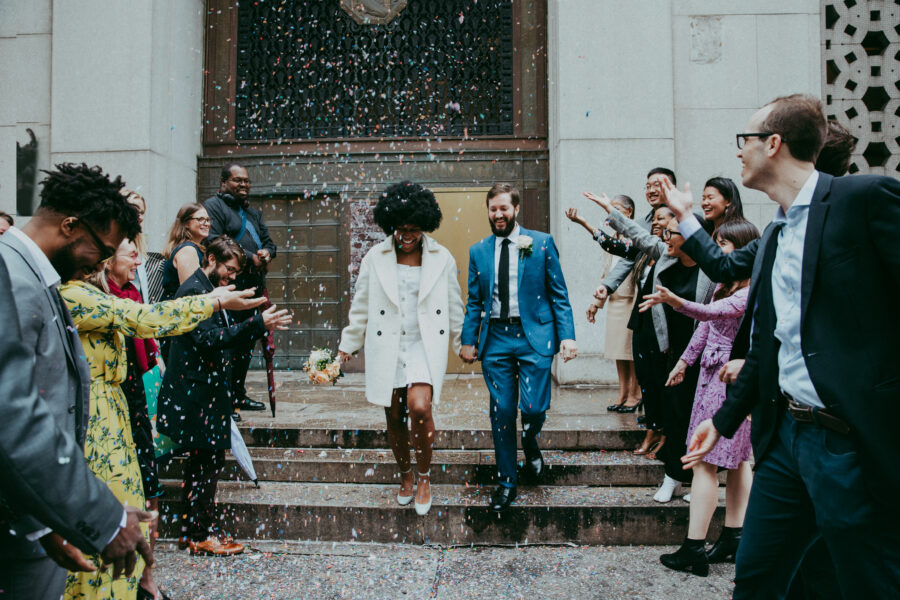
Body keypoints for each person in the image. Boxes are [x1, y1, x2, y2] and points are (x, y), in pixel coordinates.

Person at [680, 94, 900, 598]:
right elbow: (770, 346)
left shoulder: (865, 199)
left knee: (868, 580)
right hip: (783, 442)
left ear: (774, 144)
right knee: (757, 579)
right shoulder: (776, 233)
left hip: (848, 442)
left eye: (747, 140)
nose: (740, 153)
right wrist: (725, 419)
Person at [61, 237, 263, 599]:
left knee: (133, 499)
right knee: (114, 504)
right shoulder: (74, 295)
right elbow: (142, 319)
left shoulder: (98, 294)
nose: (139, 260)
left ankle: (140, 582)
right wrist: (214, 300)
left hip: (119, 410)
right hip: (96, 416)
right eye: (130, 253)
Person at [0, 163, 152, 599]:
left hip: (27, 522)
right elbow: (14, 416)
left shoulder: (36, 277)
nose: (102, 262)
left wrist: (47, 522)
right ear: (69, 226)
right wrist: (100, 518)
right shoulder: (12, 278)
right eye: (101, 249)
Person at [638, 220, 760, 576]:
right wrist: (683, 361)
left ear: (742, 250)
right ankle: (733, 538)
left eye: (722, 244)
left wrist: (676, 302)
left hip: (728, 380)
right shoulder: (725, 283)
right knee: (738, 462)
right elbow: (705, 329)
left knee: (707, 461)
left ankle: (694, 548)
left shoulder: (750, 290)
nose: (716, 250)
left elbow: (710, 313)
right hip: (710, 376)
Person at [158, 236, 291, 556]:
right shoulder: (194, 291)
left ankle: (194, 531)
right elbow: (210, 339)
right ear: (212, 260)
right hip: (196, 396)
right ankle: (198, 534)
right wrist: (258, 323)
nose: (232, 276)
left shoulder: (209, 289)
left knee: (205, 465)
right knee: (205, 464)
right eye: (228, 269)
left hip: (204, 393)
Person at [338, 182, 464, 516]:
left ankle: (424, 477)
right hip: (388, 342)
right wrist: (346, 347)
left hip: (424, 343)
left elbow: (454, 305)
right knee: (394, 414)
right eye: (401, 229)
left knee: (419, 407)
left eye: (414, 229)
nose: (407, 235)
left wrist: (463, 342)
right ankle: (405, 475)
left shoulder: (442, 257)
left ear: (425, 225)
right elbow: (361, 307)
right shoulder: (374, 257)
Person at [585, 192, 715, 502]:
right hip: (666, 350)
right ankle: (672, 477)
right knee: (672, 414)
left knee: (694, 417)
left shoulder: (712, 269)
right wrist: (608, 211)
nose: (664, 236)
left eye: (671, 233)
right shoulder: (665, 254)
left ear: (689, 238)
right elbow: (638, 235)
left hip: (699, 354)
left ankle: (694, 476)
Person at [460, 183, 577, 513]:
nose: (498, 215)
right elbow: (474, 301)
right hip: (495, 338)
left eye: (504, 209)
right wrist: (468, 340)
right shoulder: (478, 251)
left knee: (535, 407)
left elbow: (559, 295)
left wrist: (567, 335)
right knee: (502, 411)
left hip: (534, 336)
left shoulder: (540, 243)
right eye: (493, 209)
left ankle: (530, 437)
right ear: (488, 211)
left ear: (515, 209)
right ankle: (506, 481)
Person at [98, 239, 165, 599]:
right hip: (117, 394)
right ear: (108, 262)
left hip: (135, 390)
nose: (137, 259)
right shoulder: (104, 298)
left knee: (146, 482)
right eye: (130, 254)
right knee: (130, 483)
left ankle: (147, 574)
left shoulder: (131, 291)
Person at [204, 163, 276, 414]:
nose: (244, 185)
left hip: (254, 287)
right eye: (238, 181)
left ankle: (238, 394)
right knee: (229, 343)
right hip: (229, 287)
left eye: (246, 181)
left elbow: (269, 242)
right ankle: (223, 398)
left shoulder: (253, 214)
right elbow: (214, 241)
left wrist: (266, 253)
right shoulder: (214, 206)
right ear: (223, 182)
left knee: (246, 342)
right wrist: (247, 258)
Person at [565, 196, 641, 412]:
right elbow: (606, 275)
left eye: (616, 209)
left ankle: (636, 395)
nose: (612, 213)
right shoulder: (614, 238)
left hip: (632, 301)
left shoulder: (637, 235)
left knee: (632, 353)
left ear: (629, 212)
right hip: (616, 301)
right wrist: (596, 304)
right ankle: (623, 392)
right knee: (618, 352)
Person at [160, 202, 208, 302]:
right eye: (200, 219)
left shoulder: (192, 248)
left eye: (207, 220)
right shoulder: (188, 250)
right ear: (186, 223)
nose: (206, 223)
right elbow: (191, 295)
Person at [122, 189, 151, 303]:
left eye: (142, 212)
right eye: (135, 210)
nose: (140, 217)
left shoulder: (139, 243)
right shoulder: (112, 244)